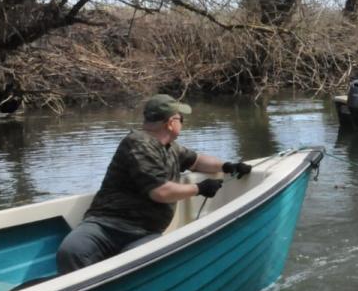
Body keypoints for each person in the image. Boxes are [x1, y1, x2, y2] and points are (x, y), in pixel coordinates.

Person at [55, 94, 253, 274]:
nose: (182, 123)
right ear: (170, 123)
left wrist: (228, 166)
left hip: (144, 233)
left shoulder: (170, 148)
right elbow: (160, 192)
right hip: (104, 225)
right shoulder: (138, 143)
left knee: (135, 262)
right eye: (181, 119)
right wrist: (199, 189)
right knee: (72, 250)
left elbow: (197, 161)